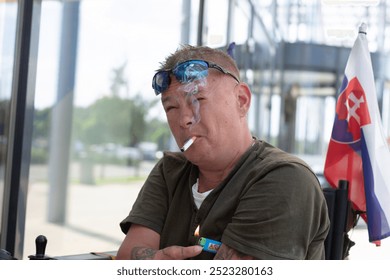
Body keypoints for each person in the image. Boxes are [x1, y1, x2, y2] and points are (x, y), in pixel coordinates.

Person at [116, 45, 330, 260]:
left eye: (197, 100)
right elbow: (127, 256)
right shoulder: (170, 171)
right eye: (171, 108)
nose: (183, 120)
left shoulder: (285, 178)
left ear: (241, 101)